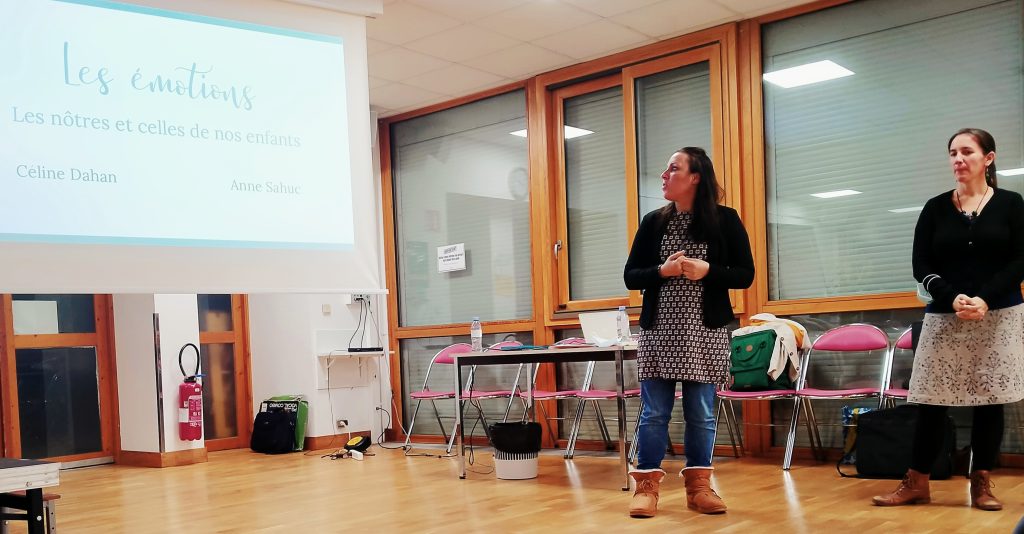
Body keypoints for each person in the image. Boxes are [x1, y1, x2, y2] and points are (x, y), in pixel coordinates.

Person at [873, 128, 1024, 511]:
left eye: (967, 152)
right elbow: (920, 265)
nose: (958, 159)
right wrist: (952, 296)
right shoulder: (935, 207)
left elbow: (1020, 259)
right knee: (931, 400)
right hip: (945, 314)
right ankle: (917, 482)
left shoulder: (1011, 203)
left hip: (998, 314)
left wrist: (985, 299)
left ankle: (982, 485)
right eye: (953, 153)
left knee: (991, 400)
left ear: (988, 158)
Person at [622, 147, 754, 517]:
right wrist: (661, 272)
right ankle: (646, 486)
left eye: (673, 168)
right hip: (659, 331)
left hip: (704, 330)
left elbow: (745, 274)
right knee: (653, 413)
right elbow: (631, 274)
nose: (665, 175)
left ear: (695, 177)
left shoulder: (725, 220)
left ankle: (699, 488)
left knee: (701, 413)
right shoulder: (653, 222)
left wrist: (708, 270)